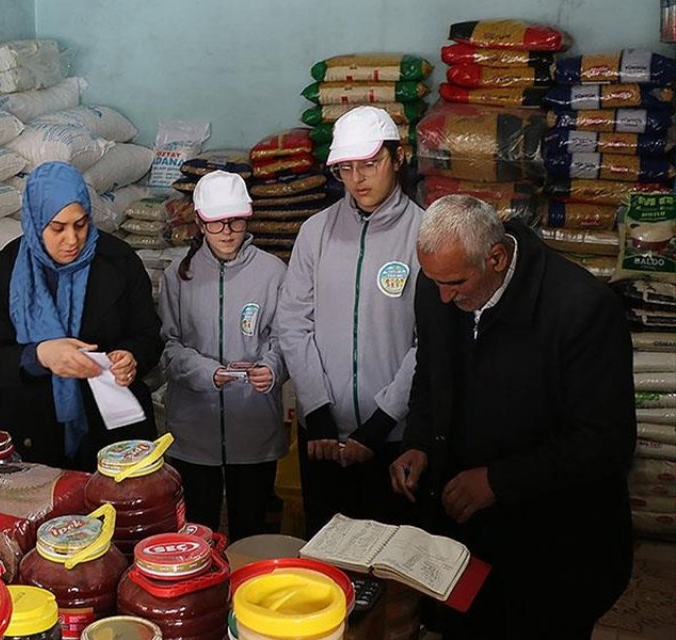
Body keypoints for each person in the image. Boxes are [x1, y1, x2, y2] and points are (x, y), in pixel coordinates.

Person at [391, 195, 634, 639]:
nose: (443, 296)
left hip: (555, 546)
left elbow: (606, 439)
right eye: (435, 282)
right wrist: (420, 441)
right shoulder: (438, 286)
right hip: (468, 537)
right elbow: (431, 373)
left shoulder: (581, 308)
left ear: (497, 258)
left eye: (455, 283)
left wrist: (497, 481)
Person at [277, 106, 422, 536]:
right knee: (327, 548)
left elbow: (428, 342)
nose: (358, 179)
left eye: (370, 164)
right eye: (346, 168)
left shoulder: (424, 234)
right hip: (320, 437)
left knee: (386, 553)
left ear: (398, 158)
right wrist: (318, 411)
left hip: (389, 438)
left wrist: (380, 424)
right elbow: (293, 323)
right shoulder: (315, 232)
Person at [0, 161, 163, 470]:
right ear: (34, 220)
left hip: (113, 433)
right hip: (30, 431)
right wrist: (38, 355)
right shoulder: (1, 275)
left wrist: (131, 356)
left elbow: (148, 333)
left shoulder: (118, 263)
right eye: (57, 228)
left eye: (81, 224)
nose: (72, 240)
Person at [159, 171, 289, 540]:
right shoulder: (177, 276)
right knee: (198, 529)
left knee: (252, 529)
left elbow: (285, 339)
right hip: (193, 428)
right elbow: (167, 348)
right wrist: (206, 373)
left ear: (248, 217)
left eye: (235, 220)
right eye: (216, 223)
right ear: (200, 222)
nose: (228, 231)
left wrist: (272, 367)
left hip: (254, 424)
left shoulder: (272, 271)